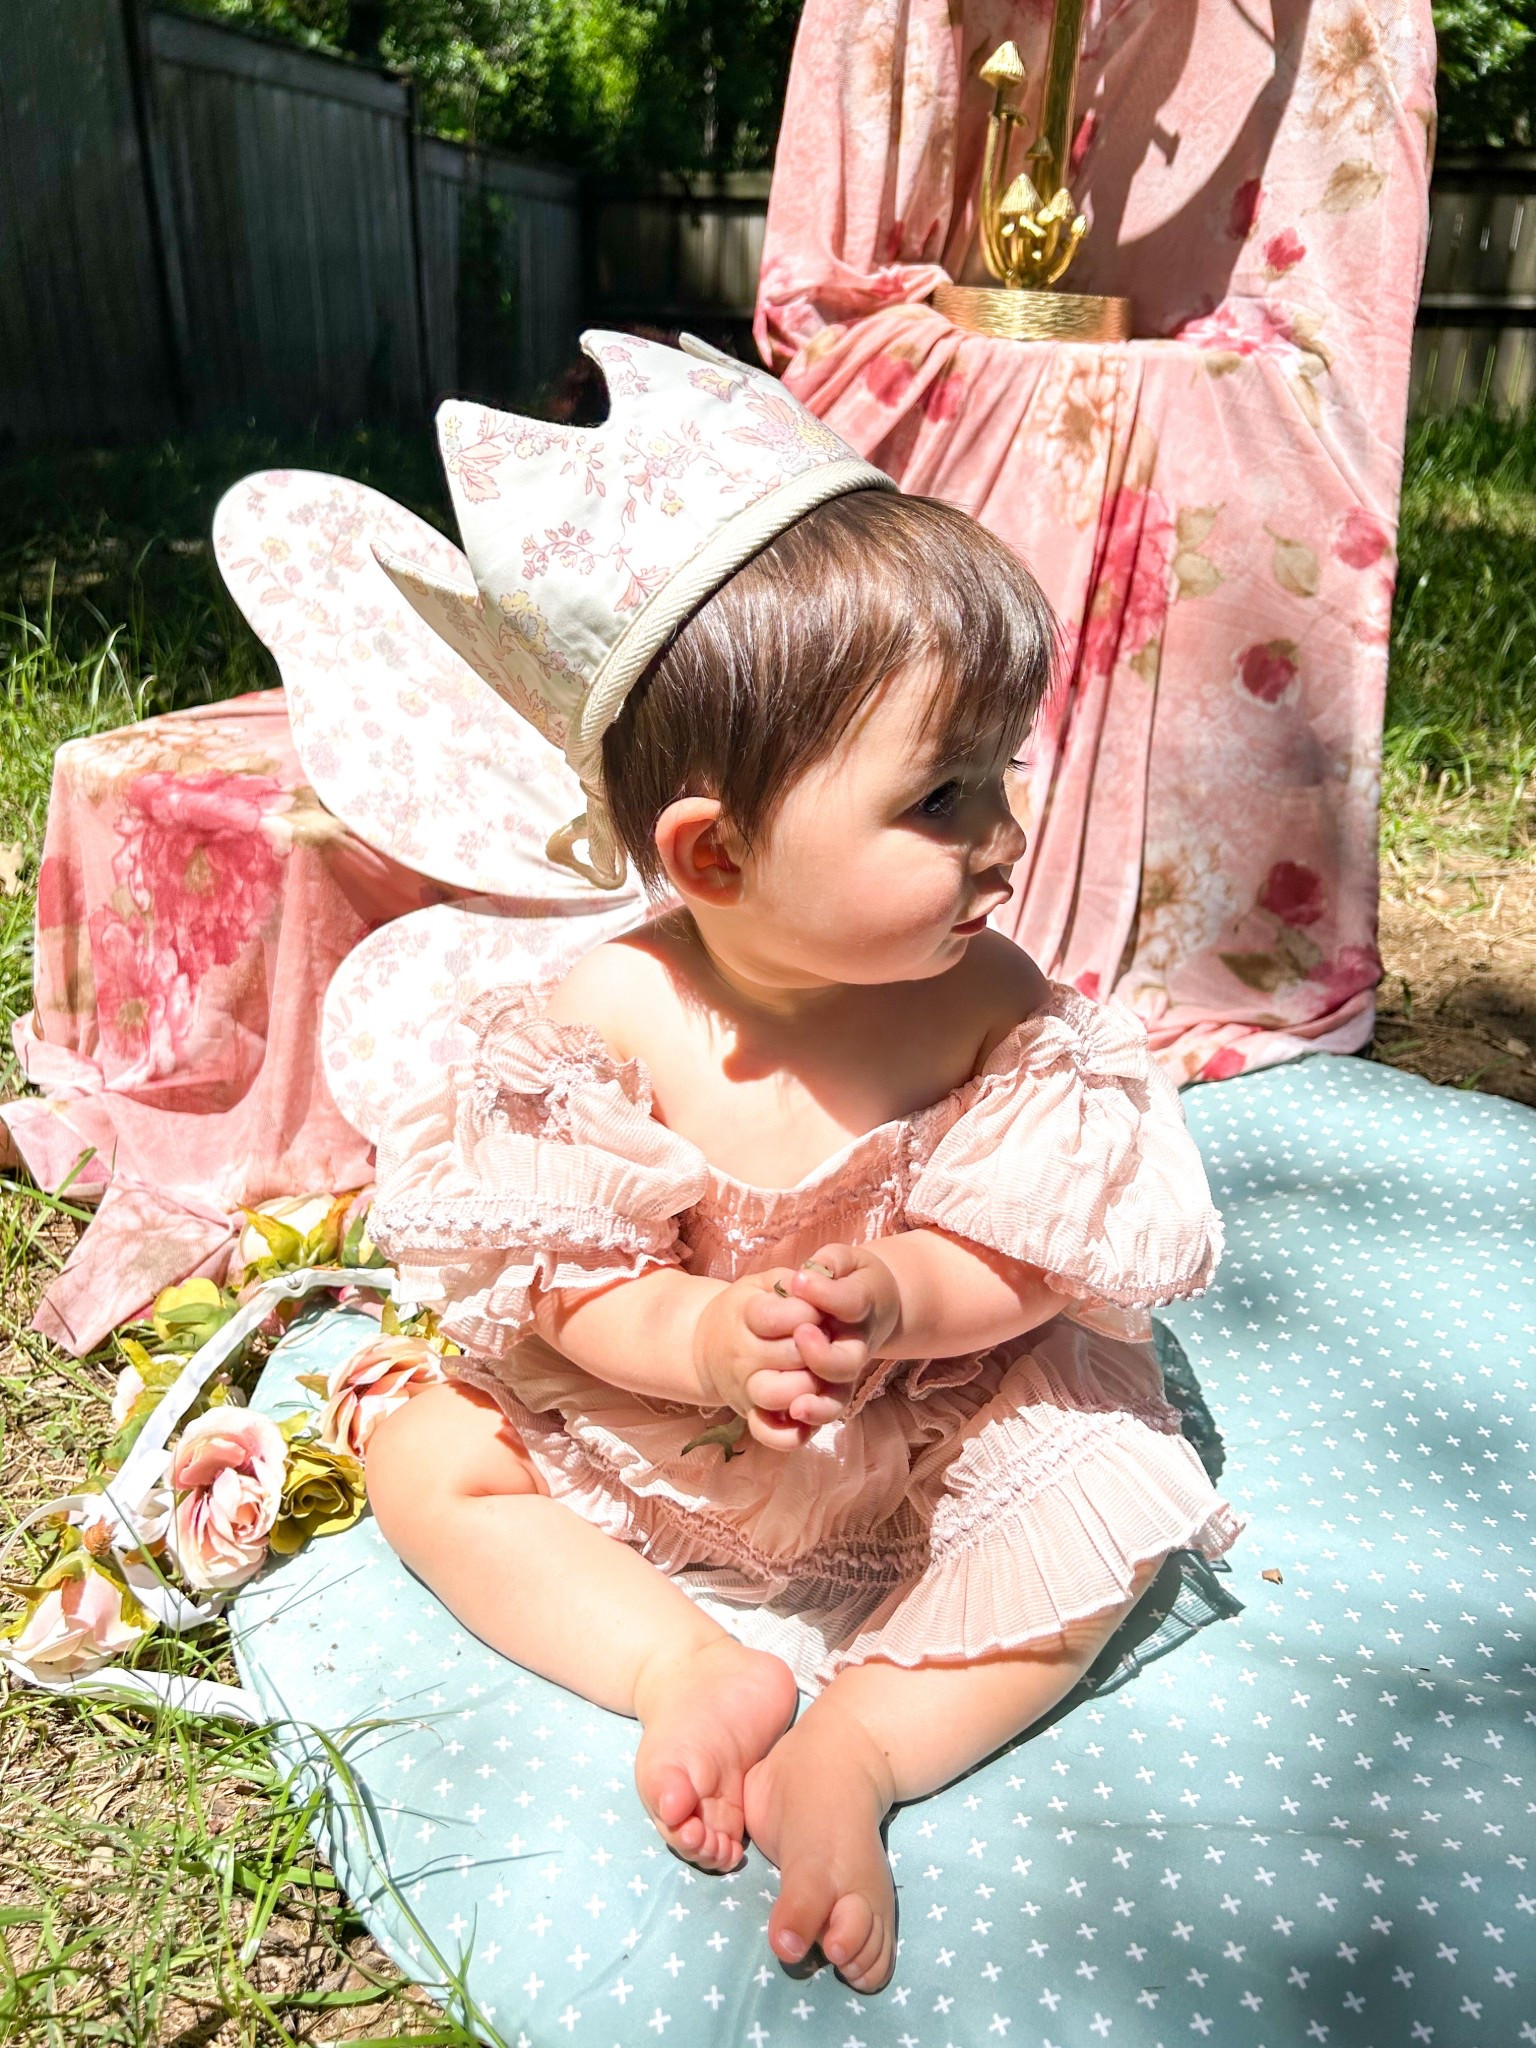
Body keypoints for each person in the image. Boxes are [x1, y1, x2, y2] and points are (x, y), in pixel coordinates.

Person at [361, 335, 1238, 1996]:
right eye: (941, 795)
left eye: (1006, 769)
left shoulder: (989, 1001)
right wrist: (697, 1335)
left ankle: (870, 1747)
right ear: (715, 851)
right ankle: (675, 1663)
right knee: (426, 1449)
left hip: (925, 1407)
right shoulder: (605, 1012)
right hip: (670, 1407)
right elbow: (568, 1279)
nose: (1007, 830)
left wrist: (904, 1293)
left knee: (1107, 1493)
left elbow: (1036, 1251)